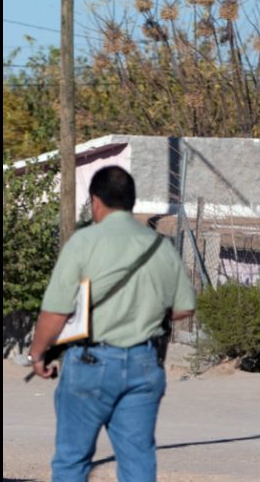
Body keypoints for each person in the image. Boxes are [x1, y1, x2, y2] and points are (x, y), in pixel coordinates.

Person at [28, 166, 196, 481]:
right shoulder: (160, 245)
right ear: (131, 201)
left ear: (95, 201)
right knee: (137, 461)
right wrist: (145, 313)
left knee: (72, 460)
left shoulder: (83, 242)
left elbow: (55, 312)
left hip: (90, 363)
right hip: (144, 363)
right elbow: (185, 307)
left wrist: (37, 354)